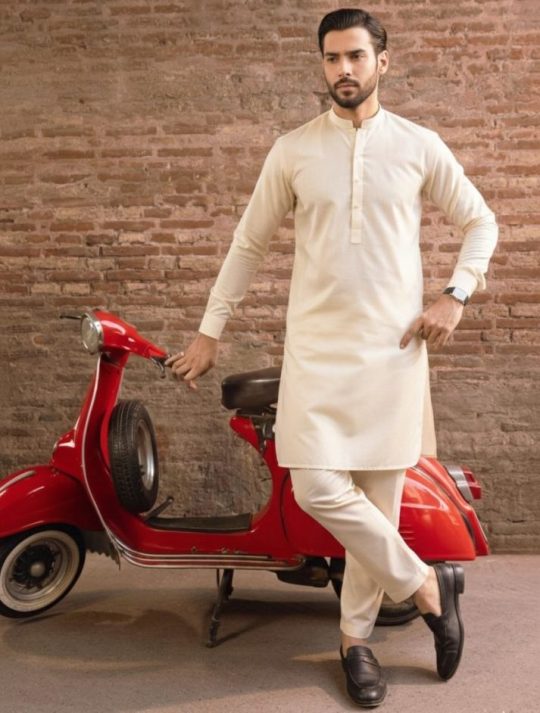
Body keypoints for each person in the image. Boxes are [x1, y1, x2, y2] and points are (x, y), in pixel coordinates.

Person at [166, 7, 498, 708]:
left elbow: (480, 221)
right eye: (331, 58)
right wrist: (209, 330)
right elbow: (249, 243)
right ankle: (428, 586)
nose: (343, 70)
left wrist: (456, 295)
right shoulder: (293, 150)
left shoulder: (418, 145)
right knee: (317, 487)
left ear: (383, 62)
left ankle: (355, 643)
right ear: (322, 64)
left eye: (355, 56)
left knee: (377, 508)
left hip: (392, 356)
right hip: (316, 355)